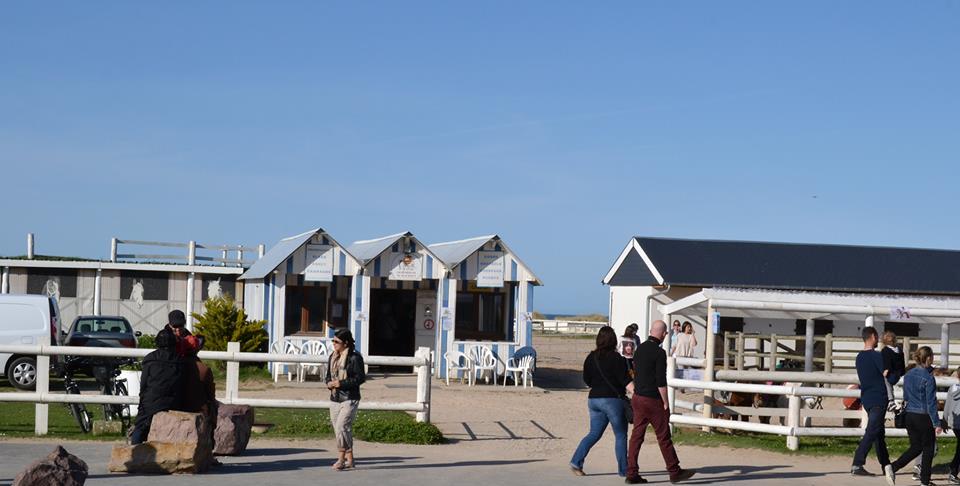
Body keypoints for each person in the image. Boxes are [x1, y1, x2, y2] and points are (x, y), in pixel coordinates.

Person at [625, 320, 695, 484]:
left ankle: (631, 472)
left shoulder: (640, 348)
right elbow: (660, 380)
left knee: (636, 436)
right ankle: (674, 471)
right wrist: (666, 402)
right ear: (663, 334)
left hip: (638, 398)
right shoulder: (659, 352)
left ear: (650, 331)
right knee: (663, 437)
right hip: (653, 399)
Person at [571, 326, 633, 477]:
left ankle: (576, 462)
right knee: (620, 435)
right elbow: (625, 381)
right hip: (612, 400)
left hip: (594, 400)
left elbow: (587, 380)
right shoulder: (616, 358)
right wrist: (637, 394)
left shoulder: (590, 357)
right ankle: (624, 470)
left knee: (593, 434)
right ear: (613, 341)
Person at [888, 346, 941, 486]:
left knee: (916, 447)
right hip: (923, 416)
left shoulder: (909, 374)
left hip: (910, 415)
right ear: (928, 358)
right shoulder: (929, 378)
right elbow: (931, 403)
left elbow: (905, 396)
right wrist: (936, 423)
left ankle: (893, 467)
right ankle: (924, 481)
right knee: (928, 448)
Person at [850, 327, 893, 480]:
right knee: (872, 430)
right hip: (878, 398)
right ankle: (857, 462)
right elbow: (888, 374)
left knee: (878, 433)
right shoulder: (876, 356)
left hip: (867, 398)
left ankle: (886, 465)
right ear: (873, 336)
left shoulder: (859, 357)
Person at [130, 328, 184, 444]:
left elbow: (144, 384)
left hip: (151, 401)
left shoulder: (150, 359)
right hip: (173, 402)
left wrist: (143, 401)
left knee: (140, 425)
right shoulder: (179, 360)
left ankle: (134, 449)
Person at [325, 328, 366, 471]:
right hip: (335, 397)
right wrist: (329, 383)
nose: (334, 344)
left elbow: (360, 378)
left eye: (337, 341)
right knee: (340, 430)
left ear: (346, 343)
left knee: (342, 427)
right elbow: (328, 376)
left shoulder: (355, 358)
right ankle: (350, 458)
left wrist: (341, 384)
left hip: (350, 398)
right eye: (333, 341)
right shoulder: (332, 357)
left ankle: (341, 459)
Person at [178, 335, 217, 426]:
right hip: (198, 408)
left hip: (177, 406)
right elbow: (211, 395)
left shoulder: (175, 365)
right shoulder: (204, 369)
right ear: (197, 348)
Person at [944, 366, 960, 485]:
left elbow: (947, 405)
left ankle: (953, 470)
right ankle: (953, 471)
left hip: (954, 423)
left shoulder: (952, 388)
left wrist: (944, 420)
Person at [881, 331, 906, 404]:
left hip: (892, 373)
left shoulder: (885, 350)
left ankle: (891, 399)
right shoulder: (899, 349)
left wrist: (886, 370)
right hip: (901, 372)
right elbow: (902, 362)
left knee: (887, 382)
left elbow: (887, 362)